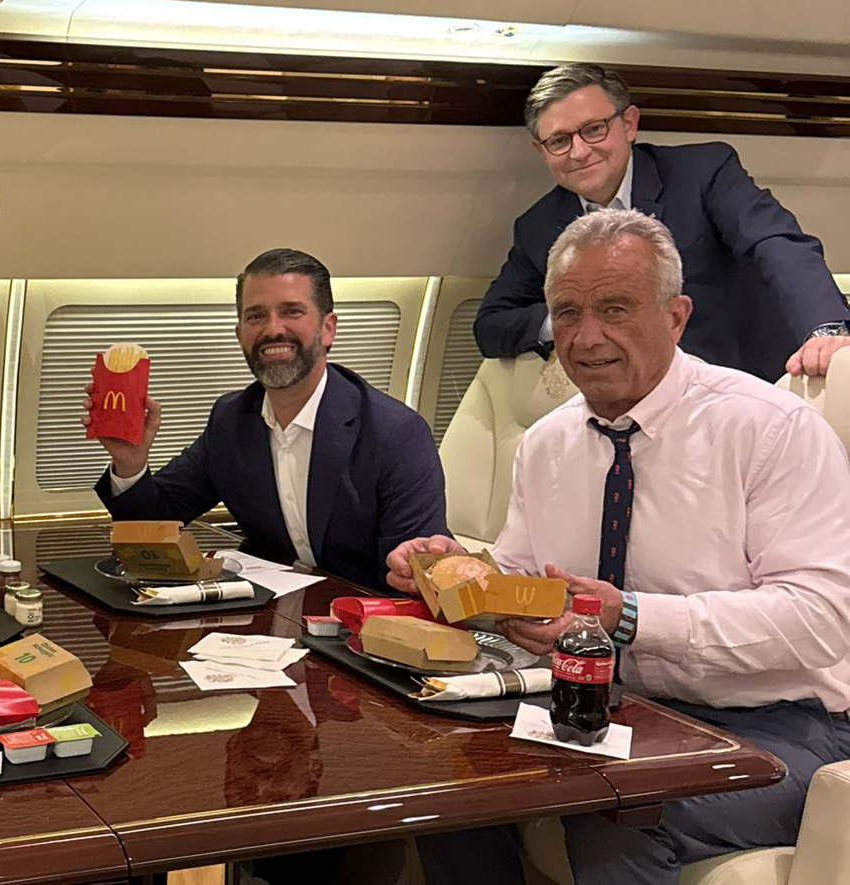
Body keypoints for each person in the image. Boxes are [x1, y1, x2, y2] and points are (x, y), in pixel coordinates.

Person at [389, 209, 850, 885]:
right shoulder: (547, 443)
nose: (587, 337)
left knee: (614, 813)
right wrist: (454, 576)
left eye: (614, 309)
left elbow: (821, 619)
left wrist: (628, 616)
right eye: (568, 313)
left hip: (782, 726)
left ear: (676, 316)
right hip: (613, 710)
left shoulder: (770, 430)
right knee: (453, 778)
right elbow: (525, 581)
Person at [84, 247, 447, 590]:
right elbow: (153, 526)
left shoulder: (396, 434)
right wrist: (130, 463)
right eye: (256, 315)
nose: (273, 329)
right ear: (239, 334)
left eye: (292, 311)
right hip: (270, 611)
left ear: (328, 329)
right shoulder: (231, 419)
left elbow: (415, 574)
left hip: (357, 619)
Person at [474, 62, 850, 380]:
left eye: (593, 130)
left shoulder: (702, 173)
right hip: (638, 404)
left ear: (629, 124)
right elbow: (491, 324)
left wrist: (826, 327)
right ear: (541, 150)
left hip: (751, 379)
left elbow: (776, 243)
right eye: (559, 141)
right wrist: (573, 318)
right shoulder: (539, 226)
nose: (579, 152)